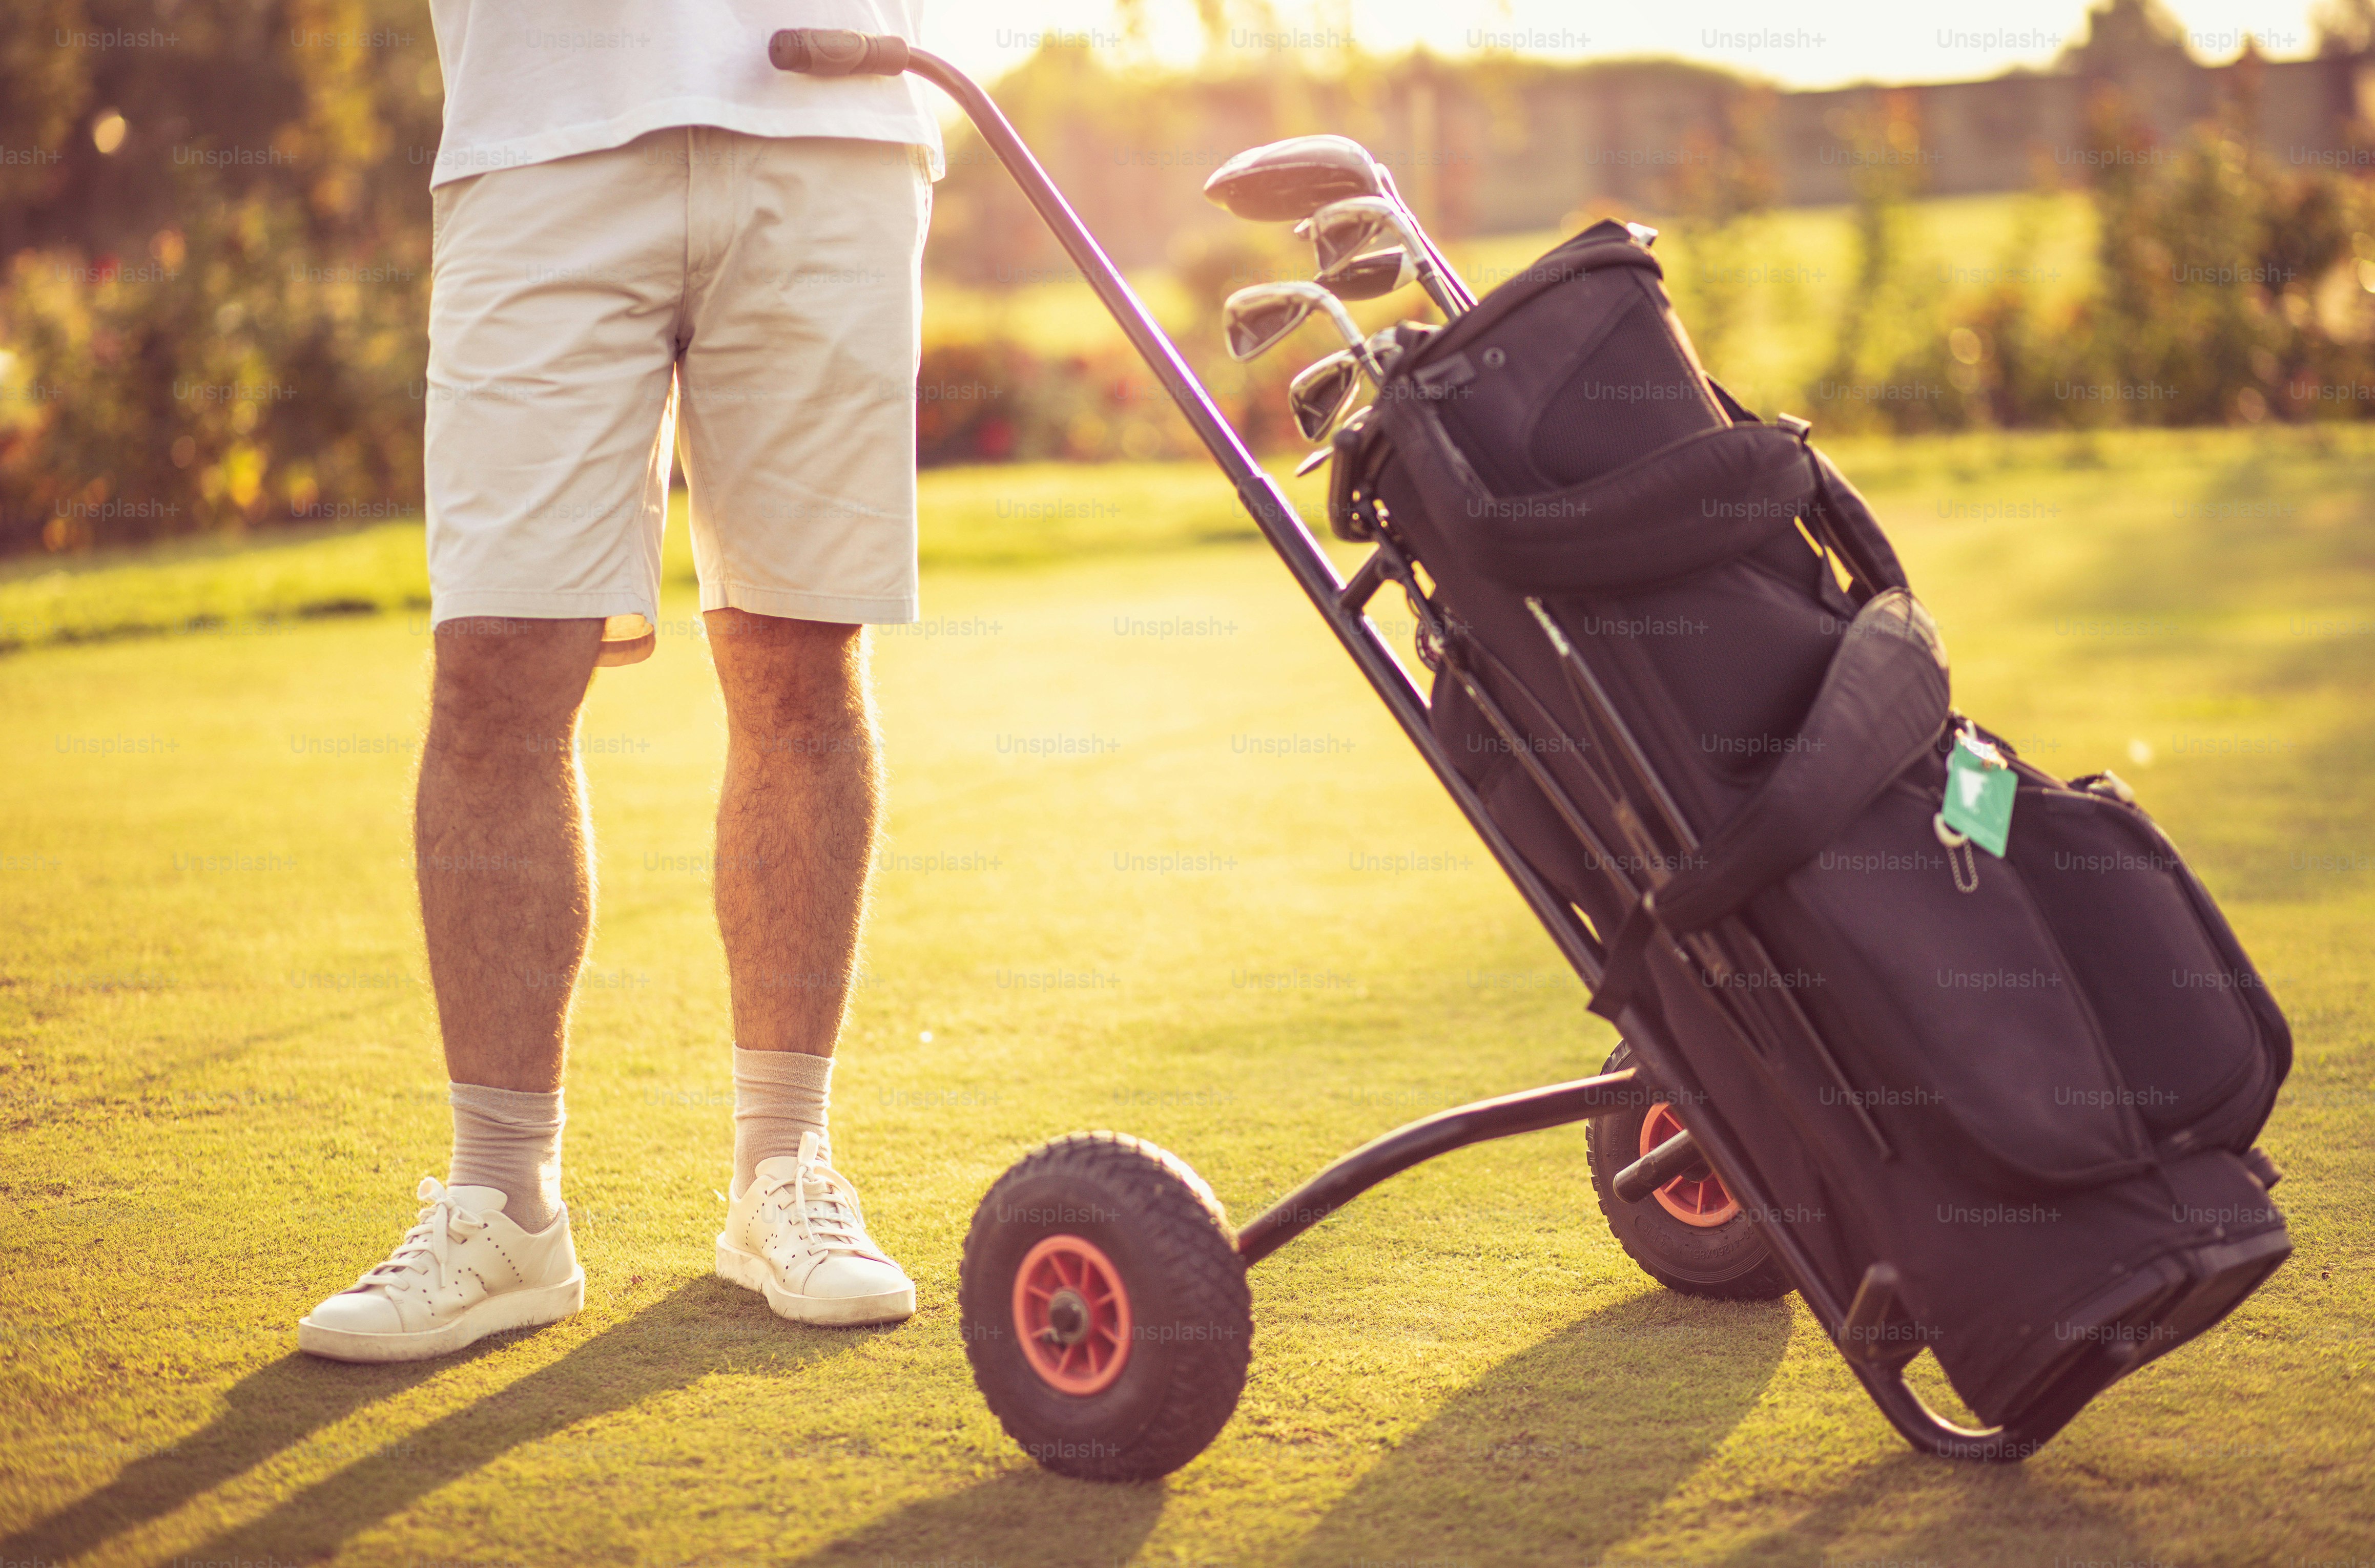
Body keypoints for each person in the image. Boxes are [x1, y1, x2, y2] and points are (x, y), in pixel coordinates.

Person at [297, 1, 943, 1362]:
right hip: (542, 133)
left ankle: (784, 1172)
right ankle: (503, 1207)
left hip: (829, 111)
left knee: (799, 658)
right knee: (493, 669)